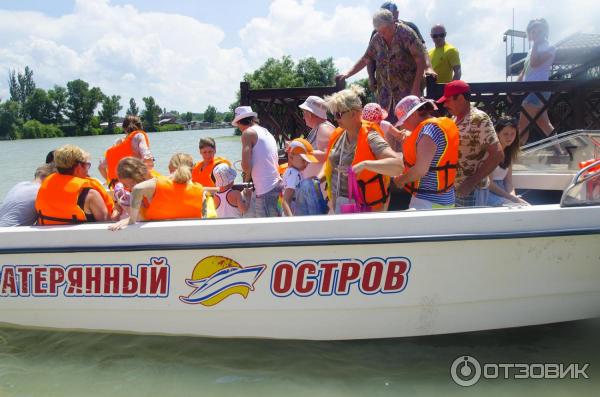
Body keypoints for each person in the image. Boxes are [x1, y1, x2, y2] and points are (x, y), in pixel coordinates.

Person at [354, 96, 459, 209]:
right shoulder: (433, 127)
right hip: (443, 199)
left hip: (429, 202)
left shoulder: (428, 131)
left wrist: (400, 180)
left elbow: (420, 170)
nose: (403, 126)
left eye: (403, 121)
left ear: (413, 115)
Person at [337, 9, 427, 123]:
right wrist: (348, 73)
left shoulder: (406, 34)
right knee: (387, 127)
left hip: (407, 92)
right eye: (379, 31)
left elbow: (420, 59)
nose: (383, 34)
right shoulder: (377, 38)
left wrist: (416, 87)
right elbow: (366, 59)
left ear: (393, 22)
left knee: (409, 125)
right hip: (385, 97)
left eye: (385, 30)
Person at [320, 85, 399, 213]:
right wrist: (318, 179)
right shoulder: (338, 134)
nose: (335, 118)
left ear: (352, 113)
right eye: (334, 114)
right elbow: (331, 164)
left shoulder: (371, 137)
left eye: (338, 114)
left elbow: (397, 165)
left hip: (366, 210)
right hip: (340, 205)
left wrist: (364, 165)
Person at [437, 80, 504, 207]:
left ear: (461, 98)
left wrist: (470, 183)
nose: (445, 105)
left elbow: (497, 154)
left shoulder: (478, 119)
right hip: (454, 189)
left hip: (471, 191)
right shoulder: (454, 119)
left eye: (448, 100)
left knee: (471, 226)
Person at [109, 153, 204, 230]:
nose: (128, 188)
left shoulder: (156, 185)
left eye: (128, 184)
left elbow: (138, 190)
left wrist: (131, 219)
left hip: (158, 234)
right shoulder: (199, 189)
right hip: (189, 234)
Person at [36, 145, 110, 225]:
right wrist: (118, 210)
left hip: (49, 237)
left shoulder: (44, 188)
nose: (87, 170)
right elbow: (106, 224)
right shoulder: (90, 195)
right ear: (78, 167)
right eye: (87, 165)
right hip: (83, 237)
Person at [361, 102, 412, 211]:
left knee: (371, 188)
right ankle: (383, 211)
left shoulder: (361, 127)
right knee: (383, 189)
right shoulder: (385, 124)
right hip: (385, 162)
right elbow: (400, 136)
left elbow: (399, 136)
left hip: (370, 163)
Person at [234, 106, 283, 217]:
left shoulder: (247, 133)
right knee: (277, 227)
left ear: (239, 122)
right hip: (277, 185)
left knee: (266, 230)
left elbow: (246, 166)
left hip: (265, 189)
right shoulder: (266, 131)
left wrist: (246, 181)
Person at [517, 18, 556, 145]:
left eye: (539, 31)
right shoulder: (532, 50)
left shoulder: (549, 48)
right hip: (533, 90)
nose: (536, 34)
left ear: (545, 32)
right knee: (544, 124)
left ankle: (513, 156)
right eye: (533, 31)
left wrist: (535, 44)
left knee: (523, 125)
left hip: (538, 90)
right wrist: (513, 89)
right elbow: (524, 71)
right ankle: (562, 152)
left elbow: (534, 63)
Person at [99, 115, 155, 189]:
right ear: (140, 127)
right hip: (136, 186)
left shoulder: (117, 143)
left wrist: (109, 181)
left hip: (119, 188)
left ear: (124, 128)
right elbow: (147, 158)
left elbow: (101, 167)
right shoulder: (139, 136)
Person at [487, 117, 530, 206]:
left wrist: (514, 197)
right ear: (497, 133)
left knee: (525, 206)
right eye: (505, 134)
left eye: (512, 134)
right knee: (513, 206)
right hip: (488, 192)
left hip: (503, 191)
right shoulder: (490, 152)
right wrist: (511, 198)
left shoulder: (509, 153)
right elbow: (489, 184)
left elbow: (508, 182)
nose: (509, 137)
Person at [298, 96, 335, 179]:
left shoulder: (323, 128)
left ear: (310, 114)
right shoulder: (319, 127)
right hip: (316, 185)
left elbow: (327, 155)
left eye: (304, 113)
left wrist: (299, 150)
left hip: (320, 187)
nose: (303, 117)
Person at [281, 138, 319, 216]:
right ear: (291, 157)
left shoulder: (294, 172)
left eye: (308, 162)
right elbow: (286, 200)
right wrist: (292, 221)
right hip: (293, 214)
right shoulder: (293, 174)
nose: (306, 164)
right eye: (303, 160)